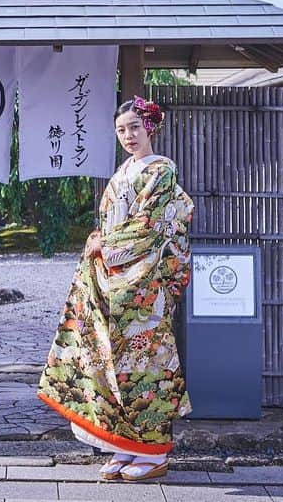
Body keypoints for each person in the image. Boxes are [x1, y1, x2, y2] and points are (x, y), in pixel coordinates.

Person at [37, 95, 195, 482]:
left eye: (135, 128)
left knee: (145, 366)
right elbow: (109, 223)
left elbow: (152, 226)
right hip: (113, 280)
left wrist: (104, 245)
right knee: (110, 362)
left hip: (144, 286)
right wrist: (100, 243)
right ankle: (123, 447)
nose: (128, 135)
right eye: (121, 130)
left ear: (151, 128)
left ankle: (154, 452)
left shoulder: (161, 171)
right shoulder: (123, 172)